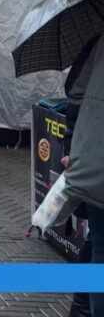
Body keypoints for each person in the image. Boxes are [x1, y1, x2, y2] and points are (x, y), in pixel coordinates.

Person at [63, 35, 104, 317]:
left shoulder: (100, 41)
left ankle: (80, 311)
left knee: (99, 244)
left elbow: (75, 93)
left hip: (92, 162)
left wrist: (71, 147)